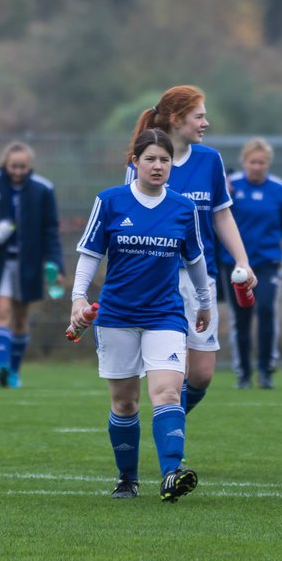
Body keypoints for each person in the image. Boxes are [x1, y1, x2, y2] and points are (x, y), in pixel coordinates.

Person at [71, 129, 210, 502]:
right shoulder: (111, 201)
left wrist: (205, 302)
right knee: (125, 402)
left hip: (165, 315)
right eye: (150, 159)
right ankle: (127, 477)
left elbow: (195, 260)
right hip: (116, 316)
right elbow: (90, 255)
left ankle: (171, 474)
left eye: (164, 160)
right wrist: (78, 298)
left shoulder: (183, 208)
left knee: (167, 393)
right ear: (134, 162)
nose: (158, 166)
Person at [127, 85, 255, 420]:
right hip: (160, 280)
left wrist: (242, 260)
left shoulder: (210, 160)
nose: (205, 123)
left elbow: (221, 214)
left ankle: (167, 422)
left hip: (202, 278)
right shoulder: (147, 159)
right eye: (199, 116)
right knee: (176, 371)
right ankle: (170, 441)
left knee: (201, 375)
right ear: (175, 119)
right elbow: (131, 218)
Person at [0, 141, 64, 388]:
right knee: (0, 311)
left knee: (20, 317)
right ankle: (2, 366)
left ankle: (14, 372)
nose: (18, 171)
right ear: (5, 164)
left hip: (27, 264)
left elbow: (50, 230)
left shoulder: (43, 189)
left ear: (29, 166)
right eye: (13, 166)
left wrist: (55, 264)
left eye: (22, 167)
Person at [222, 138, 282, 390]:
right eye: (252, 162)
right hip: (235, 265)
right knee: (241, 317)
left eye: (261, 162)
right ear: (244, 162)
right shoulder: (231, 186)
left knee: (267, 312)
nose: (257, 166)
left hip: (268, 262)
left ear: (267, 163)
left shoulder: (279, 189)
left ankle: (266, 369)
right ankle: (243, 373)